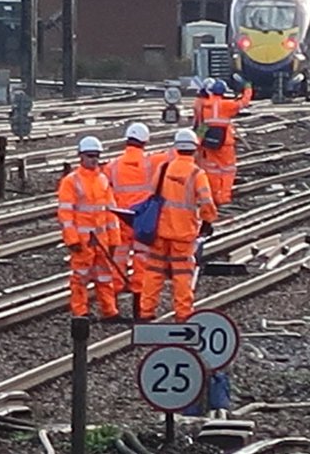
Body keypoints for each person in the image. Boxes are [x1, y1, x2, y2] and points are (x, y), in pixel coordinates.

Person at [139, 129, 218, 322]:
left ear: (176, 147)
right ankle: (183, 315)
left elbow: (152, 195)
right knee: (182, 275)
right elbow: (206, 202)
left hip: (160, 231)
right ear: (195, 149)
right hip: (183, 234)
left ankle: (145, 312)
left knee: (154, 272)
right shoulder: (197, 174)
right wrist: (208, 221)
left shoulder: (163, 169)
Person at [58, 136, 122, 321]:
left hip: (101, 241)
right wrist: (72, 240)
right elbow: (65, 214)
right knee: (80, 278)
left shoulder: (103, 180)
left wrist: (114, 239)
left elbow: (111, 213)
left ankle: (110, 311)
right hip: (82, 242)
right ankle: (80, 312)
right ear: (81, 156)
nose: (94, 159)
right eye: (90, 155)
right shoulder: (71, 181)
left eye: (96, 156)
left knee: (105, 277)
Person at [105, 122, 170, 297]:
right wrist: (201, 128)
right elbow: (179, 152)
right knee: (142, 254)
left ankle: (116, 285)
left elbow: (104, 186)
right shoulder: (152, 162)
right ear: (145, 141)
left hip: (120, 217)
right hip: (142, 218)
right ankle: (138, 287)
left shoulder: (113, 165)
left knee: (119, 254)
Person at [198, 78, 254, 205]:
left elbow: (203, 125)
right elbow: (244, 102)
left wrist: (198, 141)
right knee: (228, 170)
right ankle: (224, 197)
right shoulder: (227, 105)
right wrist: (248, 87)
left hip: (209, 143)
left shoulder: (206, 105)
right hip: (225, 144)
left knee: (212, 170)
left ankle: (213, 196)